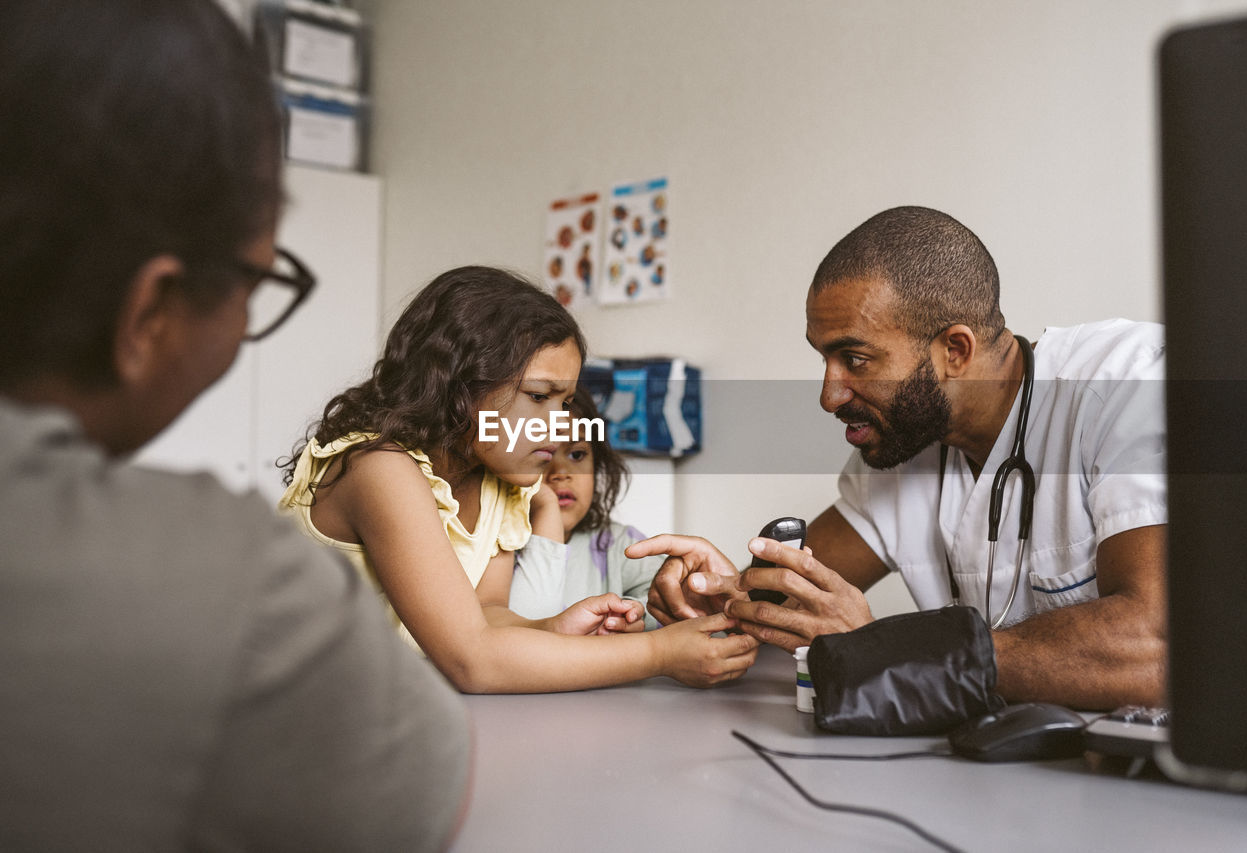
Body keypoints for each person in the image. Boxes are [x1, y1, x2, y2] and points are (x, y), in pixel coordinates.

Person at [0, 2, 470, 850]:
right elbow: (434, 761)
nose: (560, 421)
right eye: (258, 284)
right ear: (150, 310)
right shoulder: (265, 552)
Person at [630, 206, 1167, 711]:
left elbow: (1159, 646)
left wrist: (887, 649)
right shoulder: (907, 441)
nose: (829, 396)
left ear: (954, 351)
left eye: (856, 359)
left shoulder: (1128, 386)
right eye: (825, 359)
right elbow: (803, 605)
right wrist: (729, 599)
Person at [278, 267, 758, 693]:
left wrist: (551, 628)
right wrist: (659, 655)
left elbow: (486, 615)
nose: (557, 423)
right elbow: (472, 660)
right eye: (537, 395)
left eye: (565, 401)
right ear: (460, 387)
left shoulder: (502, 484)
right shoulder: (380, 469)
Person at [509, 392, 663, 630]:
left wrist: (633, 612)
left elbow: (669, 598)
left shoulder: (617, 543)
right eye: (541, 454)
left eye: (577, 454)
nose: (560, 472)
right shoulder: (494, 546)